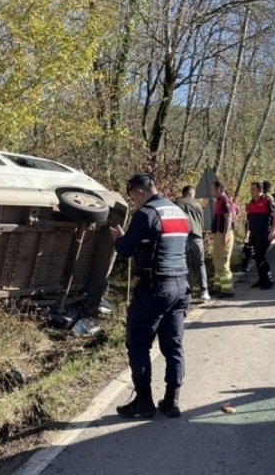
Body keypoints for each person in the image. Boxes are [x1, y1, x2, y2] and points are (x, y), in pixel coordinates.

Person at [111, 173, 190, 419]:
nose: (134, 202)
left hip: (155, 289)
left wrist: (119, 238)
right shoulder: (179, 212)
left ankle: (144, 402)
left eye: (133, 197)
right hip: (181, 286)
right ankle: (172, 401)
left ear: (140, 192)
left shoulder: (146, 214)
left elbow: (125, 250)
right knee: (173, 345)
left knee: (138, 344)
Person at [175, 186, 211, 301]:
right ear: (191, 194)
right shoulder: (198, 205)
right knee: (200, 264)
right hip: (197, 237)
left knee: (185, 266)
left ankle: (187, 292)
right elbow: (202, 223)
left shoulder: (176, 203)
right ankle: (204, 291)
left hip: (182, 238)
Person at [244, 181, 275, 289]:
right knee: (256, 257)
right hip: (254, 233)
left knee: (260, 256)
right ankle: (262, 280)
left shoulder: (267, 201)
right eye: (251, 189)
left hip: (264, 234)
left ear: (260, 190)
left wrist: (273, 232)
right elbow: (249, 220)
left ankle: (269, 281)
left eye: (253, 189)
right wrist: (247, 233)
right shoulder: (251, 203)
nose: (251, 191)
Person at [209, 181, 236, 298]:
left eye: (212, 189)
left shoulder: (224, 201)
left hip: (223, 235)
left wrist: (224, 236)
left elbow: (228, 219)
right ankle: (218, 286)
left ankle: (227, 289)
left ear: (218, 189)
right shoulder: (220, 201)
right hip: (219, 235)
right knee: (217, 261)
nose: (211, 191)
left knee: (222, 262)